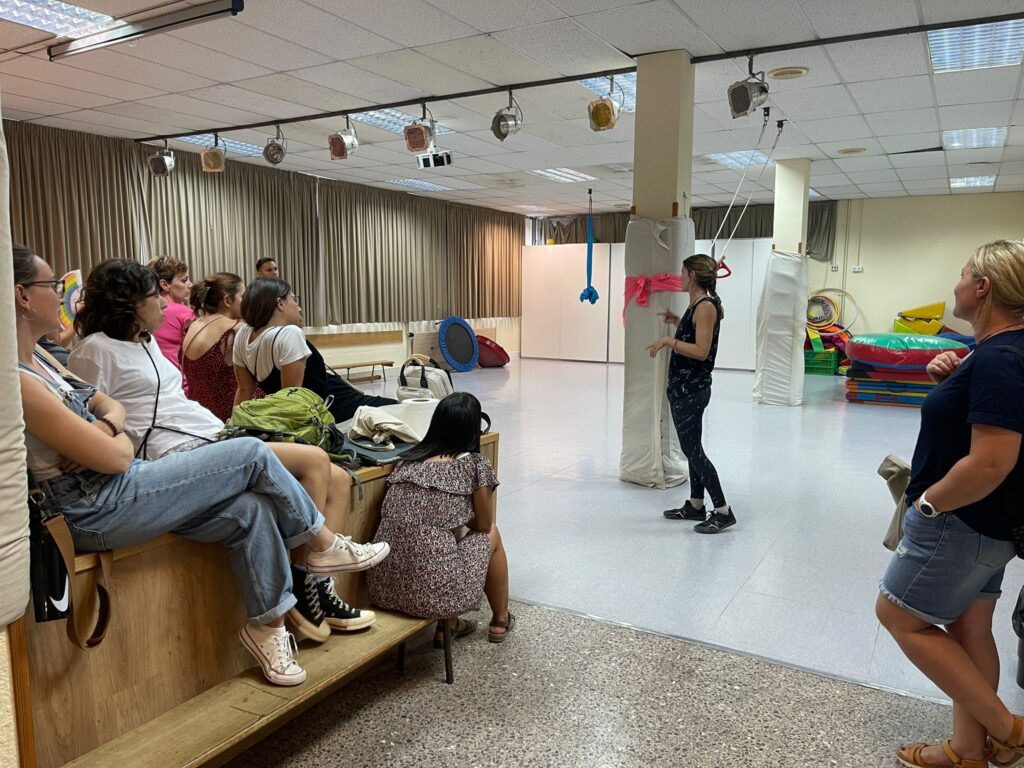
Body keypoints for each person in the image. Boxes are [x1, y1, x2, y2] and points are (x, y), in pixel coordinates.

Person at [13, 244, 389, 686]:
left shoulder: (43, 359)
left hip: (122, 480)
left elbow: (108, 406)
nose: (62, 294)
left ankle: (268, 627)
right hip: (92, 504)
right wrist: (109, 432)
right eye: (52, 285)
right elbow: (118, 452)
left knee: (252, 509)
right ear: (22, 295)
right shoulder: (22, 378)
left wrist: (107, 424)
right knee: (252, 454)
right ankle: (322, 546)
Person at [877, 240, 1024, 768]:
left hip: (960, 522)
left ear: (983, 287)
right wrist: (952, 382)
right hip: (990, 525)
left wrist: (928, 506)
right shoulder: (998, 352)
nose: (956, 284)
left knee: (898, 616)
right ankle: (969, 750)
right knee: (969, 629)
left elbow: (991, 462)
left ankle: (1009, 730)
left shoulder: (1000, 359)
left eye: (963, 275)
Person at [366, 392, 513, 645]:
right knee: (492, 533)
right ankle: (500, 620)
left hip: (382, 589)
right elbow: (483, 525)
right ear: (473, 428)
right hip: (440, 598)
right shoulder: (473, 465)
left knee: (440, 540)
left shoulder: (407, 462)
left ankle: (450, 626)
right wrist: (457, 515)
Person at [647, 253, 735, 534]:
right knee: (691, 448)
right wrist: (678, 322)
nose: (680, 277)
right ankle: (696, 505)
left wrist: (667, 340)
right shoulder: (698, 305)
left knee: (694, 451)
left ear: (693, 275)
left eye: (683, 272)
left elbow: (701, 351)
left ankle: (722, 511)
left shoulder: (705, 306)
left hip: (692, 390)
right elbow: (695, 336)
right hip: (683, 388)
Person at [233, 277, 395, 423]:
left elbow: (244, 390)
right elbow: (291, 400)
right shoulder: (289, 333)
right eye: (294, 299)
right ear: (280, 304)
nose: (299, 308)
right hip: (334, 404)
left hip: (333, 397)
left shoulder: (244, 335)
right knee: (397, 407)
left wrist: (234, 425)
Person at [181, 272, 250, 421]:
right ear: (227, 300)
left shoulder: (193, 325)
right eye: (243, 296)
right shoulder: (236, 328)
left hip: (202, 416)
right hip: (229, 416)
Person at [147, 256, 194, 384]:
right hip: (183, 385)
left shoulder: (145, 314)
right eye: (184, 280)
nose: (190, 284)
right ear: (164, 284)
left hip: (157, 383)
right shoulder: (184, 313)